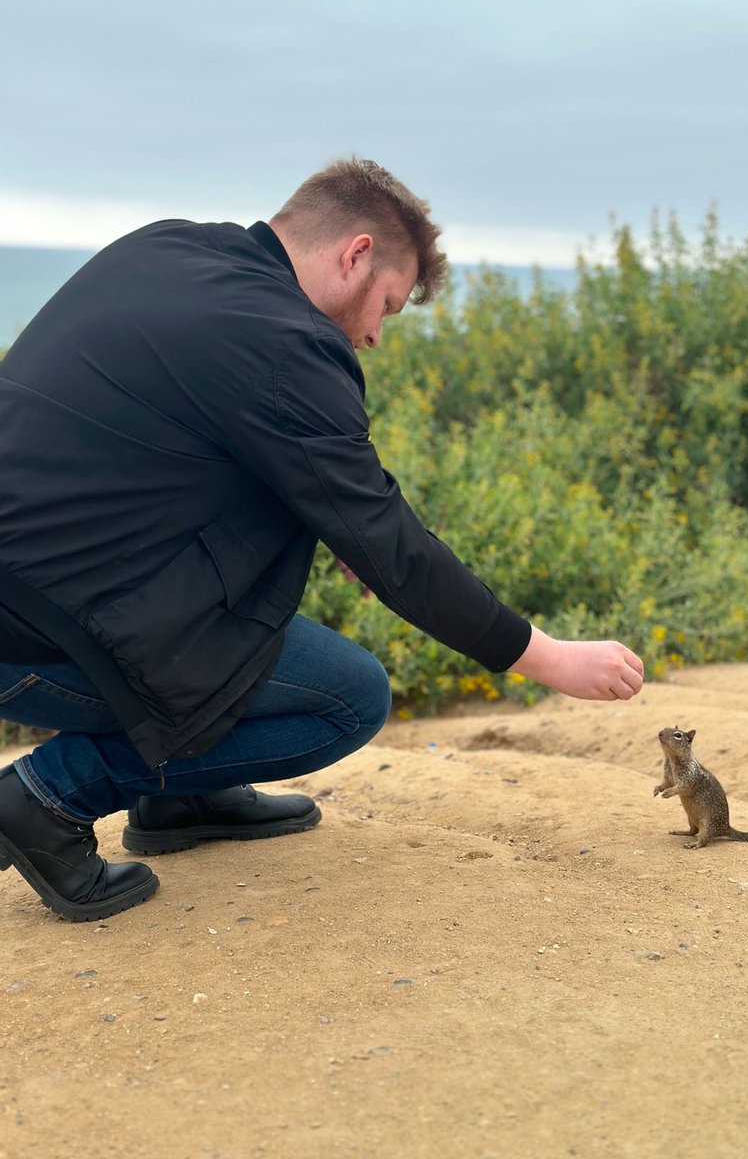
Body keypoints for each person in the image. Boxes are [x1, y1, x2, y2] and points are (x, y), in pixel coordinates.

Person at [0, 158, 644, 923]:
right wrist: (548, 656)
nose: (373, 336)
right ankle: (48, 796)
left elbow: (173, 448)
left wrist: (336, 519)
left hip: (42, 579)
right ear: (356, 254)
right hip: (32, 639)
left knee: (257, 612)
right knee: (349, 698)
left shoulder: (169, 247)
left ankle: (181, 798)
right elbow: (392, 544)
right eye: (386, 306)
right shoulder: (286, 341)